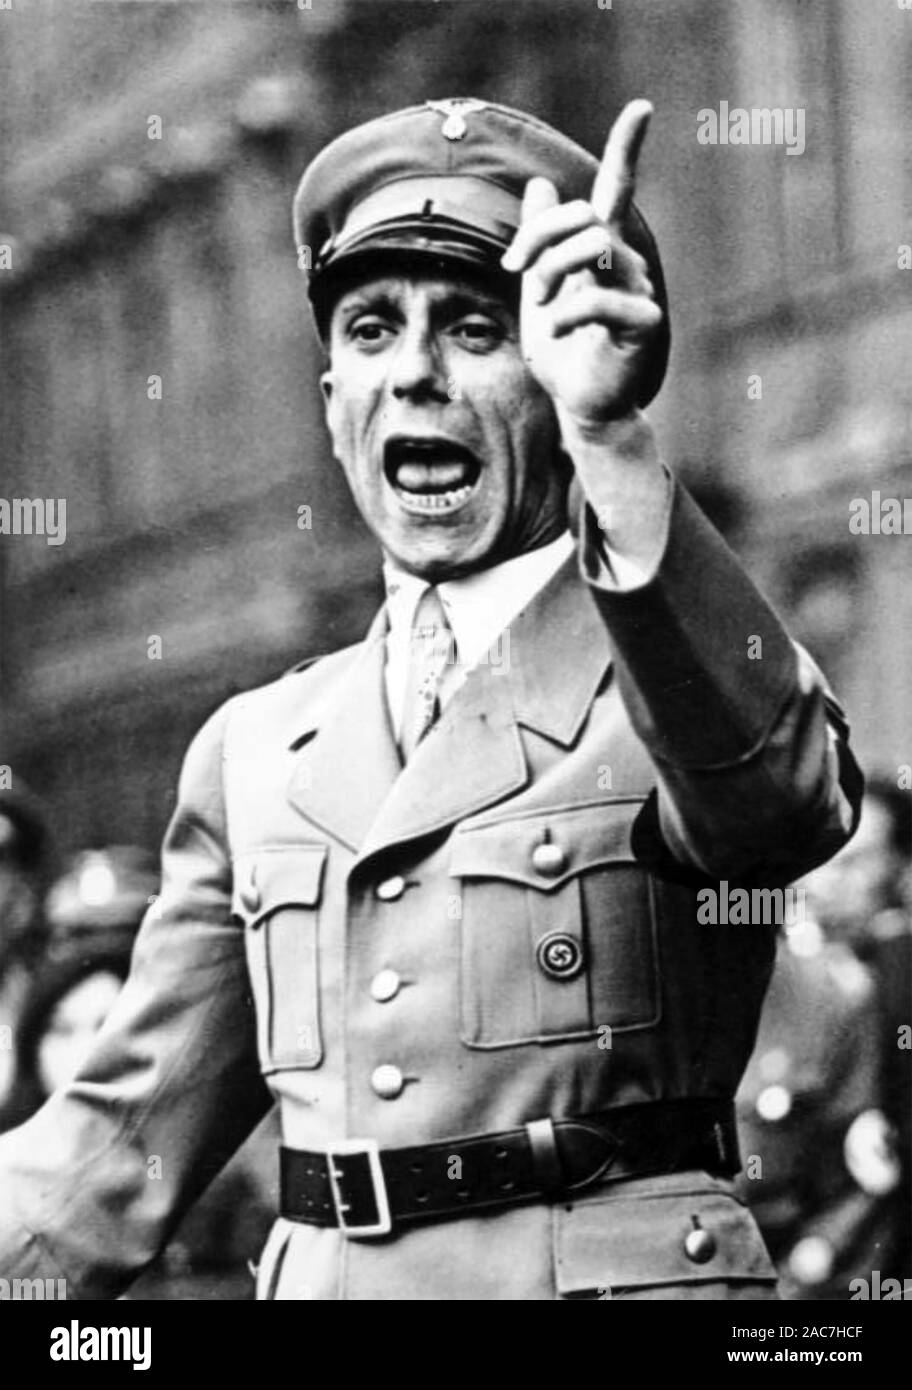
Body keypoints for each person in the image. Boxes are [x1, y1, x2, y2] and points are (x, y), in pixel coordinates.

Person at [0, 97, 863, 1300]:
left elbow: (783, 806)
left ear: (559, 371)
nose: (413, 373)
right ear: (332, 403)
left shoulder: (675, 678)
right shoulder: (256, 753)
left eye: (474, 328)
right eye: (370, 331)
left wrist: (612, 437)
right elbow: (110, 1148)